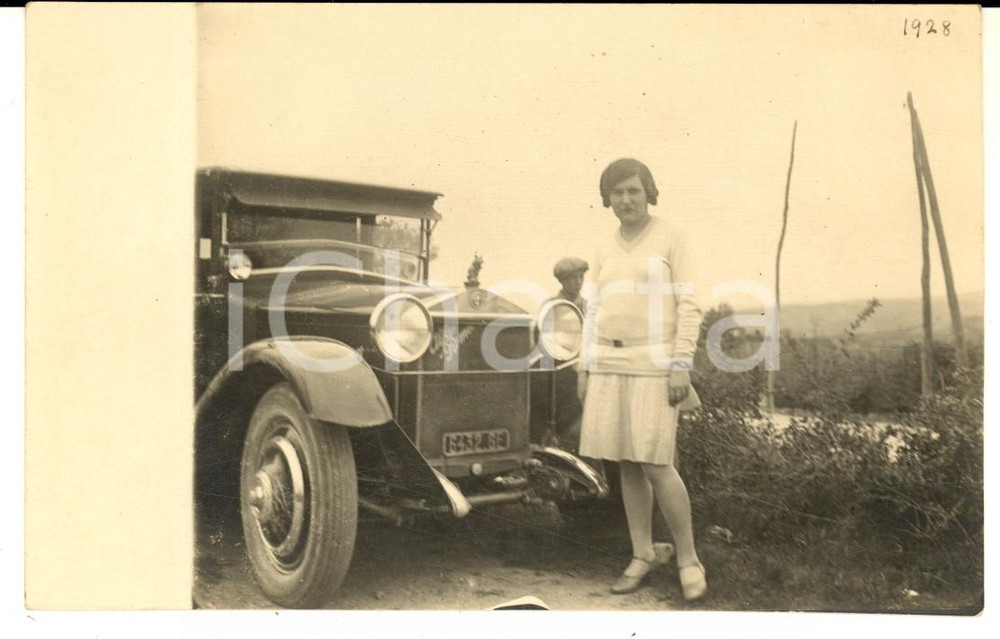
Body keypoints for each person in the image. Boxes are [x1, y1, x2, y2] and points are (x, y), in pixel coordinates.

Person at [577, 158, 707, 601]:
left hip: (657, 361)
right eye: (617, 192)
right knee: (626, 461)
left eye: (633, 190)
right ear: (607, 198)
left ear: (648, 191)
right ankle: (642, 553)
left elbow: (689, 305)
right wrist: (585, 365)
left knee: (655, 462)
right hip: (609, 361)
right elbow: (594, 309)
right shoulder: (604, 246)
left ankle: (689, 560)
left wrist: (681, 363)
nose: (625, 199)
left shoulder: (672, 237)